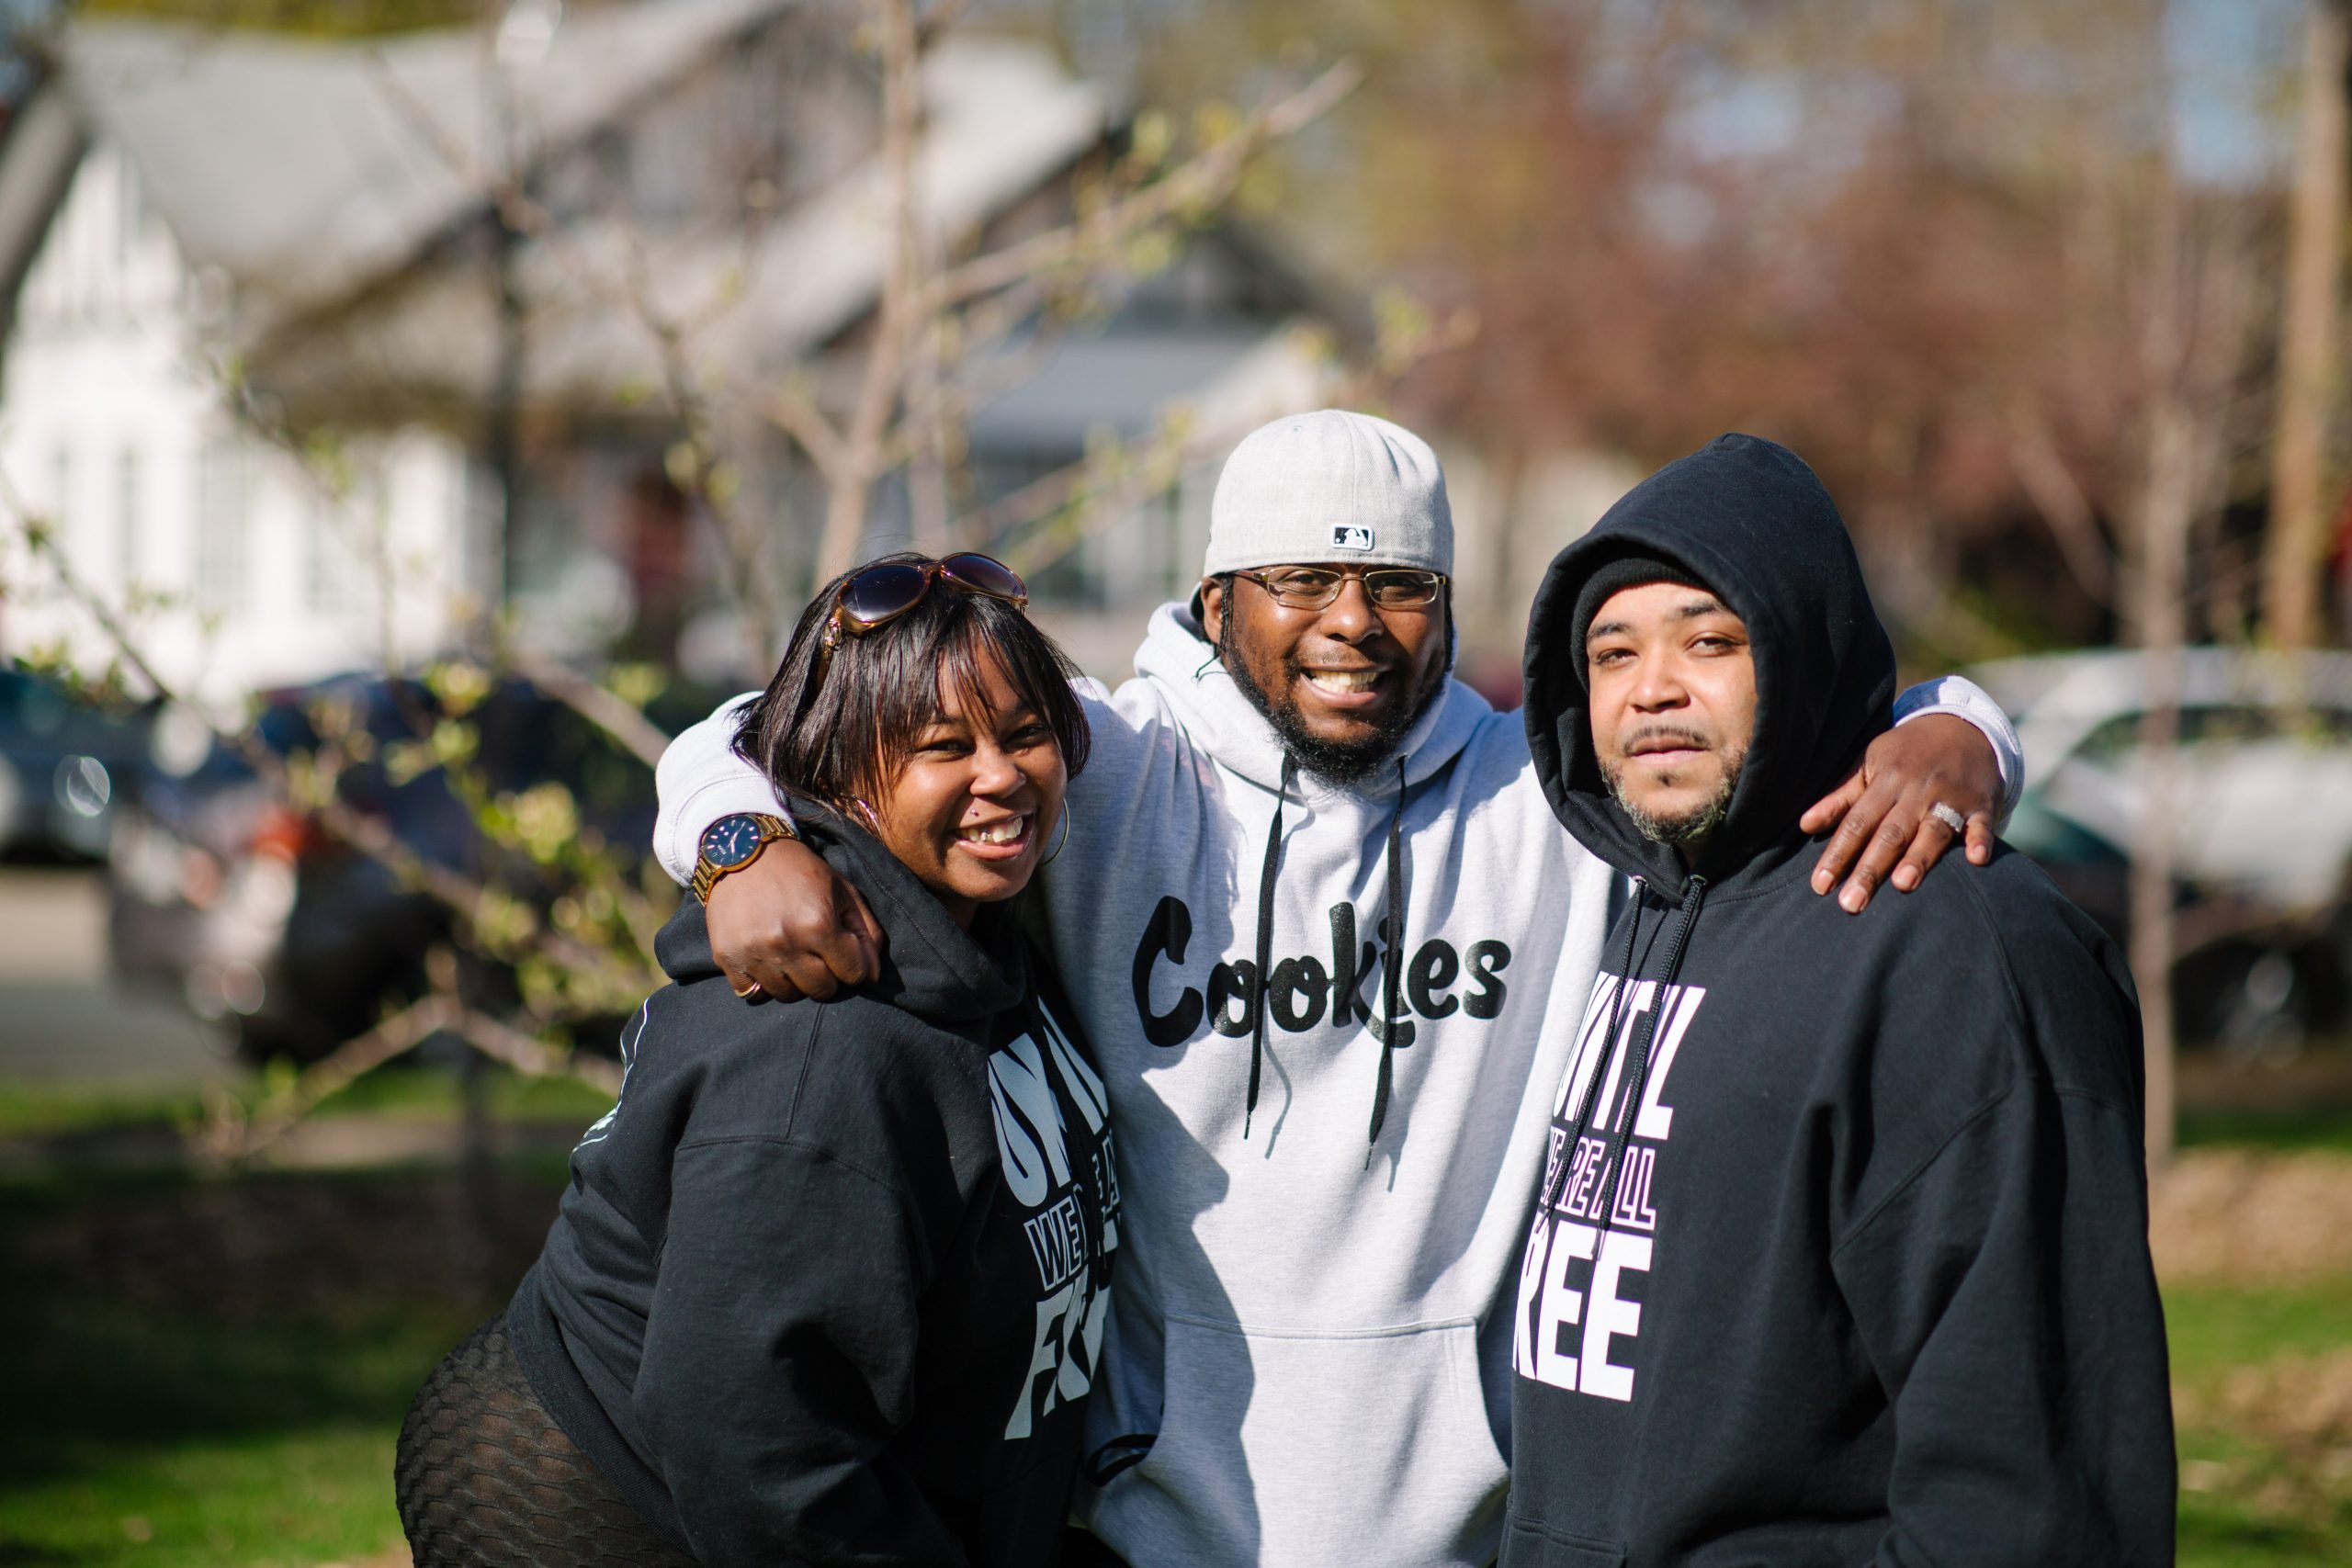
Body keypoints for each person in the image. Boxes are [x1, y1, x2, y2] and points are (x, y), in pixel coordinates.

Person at [649, 412, 2022, 1567]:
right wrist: (733, 839)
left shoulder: (1547, 793)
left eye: (1399, 586)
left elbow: (1772, 724)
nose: (1352, 623)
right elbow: (768, 724)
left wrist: (1965, 728)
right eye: (1299, 579)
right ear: (1213, 600)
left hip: (1480, 1516)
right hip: (1147, 1522)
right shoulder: (1108, 765)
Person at [1504, 434, 2174, 1565]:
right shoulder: (1650, 902)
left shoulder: (1956, 950)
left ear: (1804, 650)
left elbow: (2033, 1482)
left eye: (1709, 641)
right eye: (1612, 654)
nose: (1652, 687)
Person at [393, 552, 1120, 1568]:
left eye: (1027, 735)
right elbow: (752, 1442)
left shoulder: (974, 929)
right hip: (608, 1511)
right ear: (839, 774)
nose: (999, 774)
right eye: (942, 747)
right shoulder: (820, 1052)